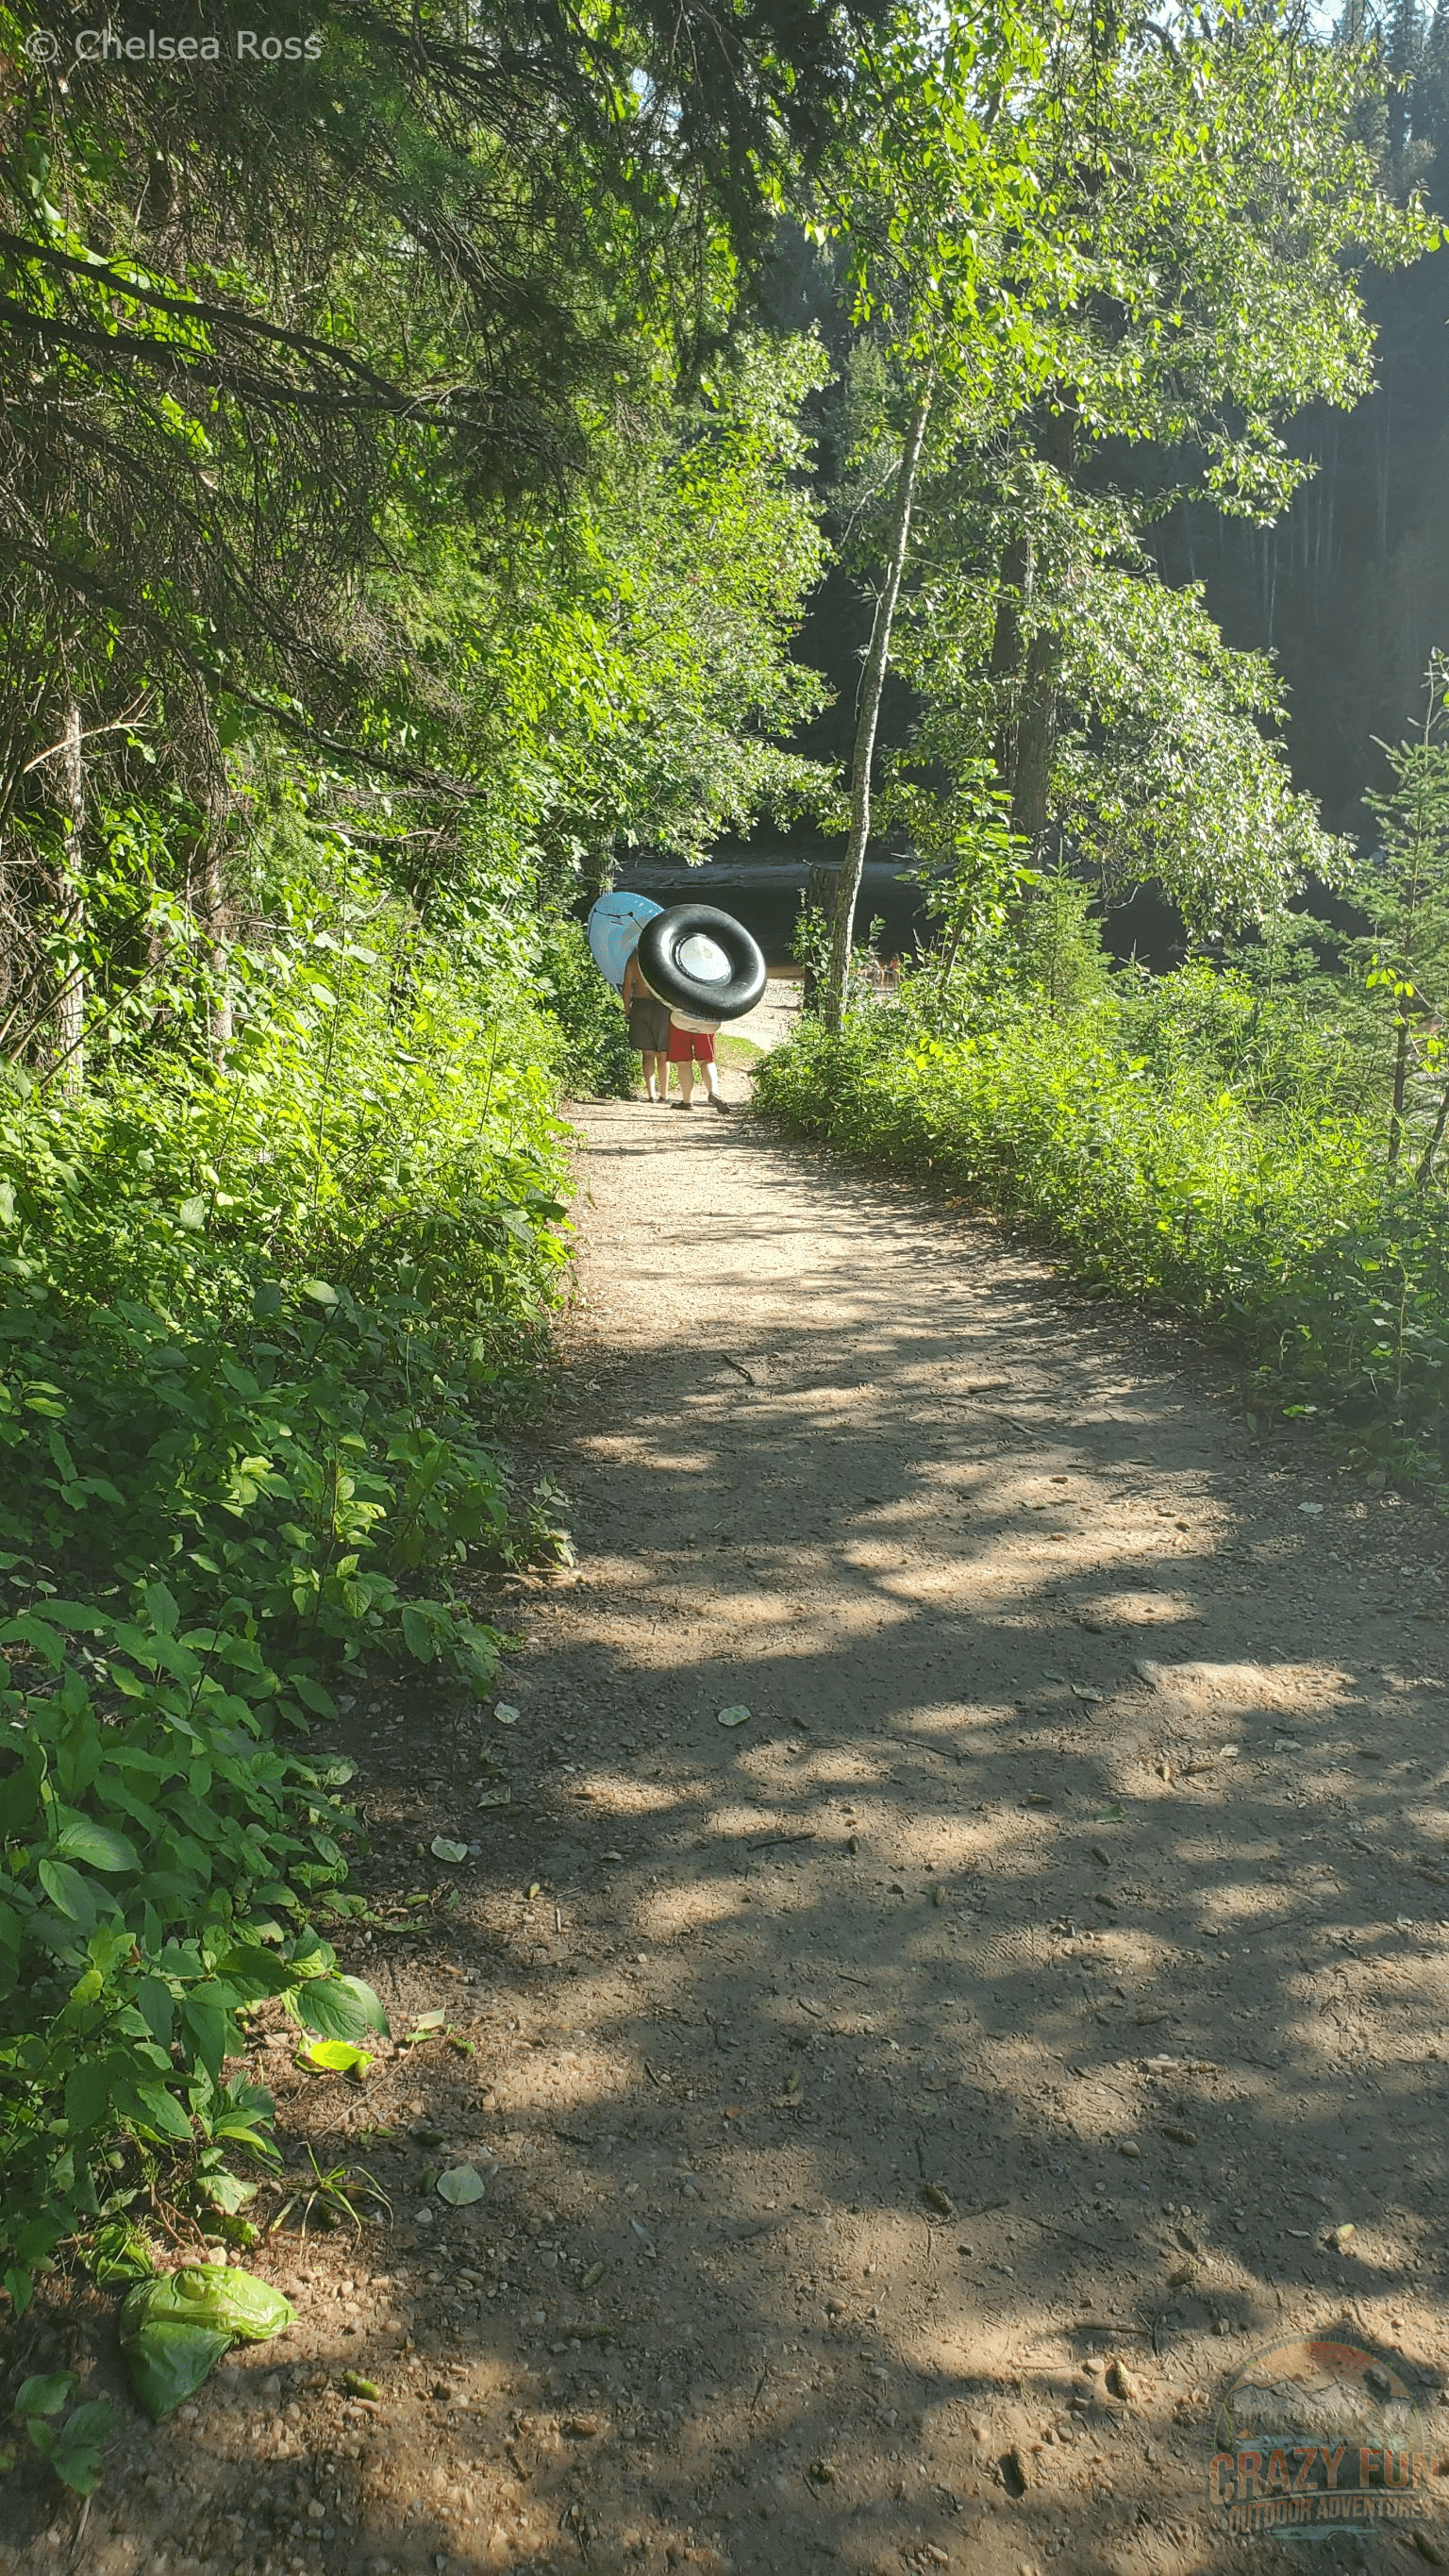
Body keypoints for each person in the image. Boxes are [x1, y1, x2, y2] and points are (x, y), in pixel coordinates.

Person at [621, 943, 672, 1103]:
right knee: (664, 1053)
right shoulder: (663, 956)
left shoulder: (634, 958)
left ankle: (651, 1095)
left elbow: (627, 987)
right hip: (662, 1007)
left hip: (641, 1006)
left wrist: (627, 1009)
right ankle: (664, 1094)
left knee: (647, 1053)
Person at [667, 1018, 729, 1112]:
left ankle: (687, 1101)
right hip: (706, 1021)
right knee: (706, 1061)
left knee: (683, 1062)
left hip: (680, 1020)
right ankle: (713, 1092)